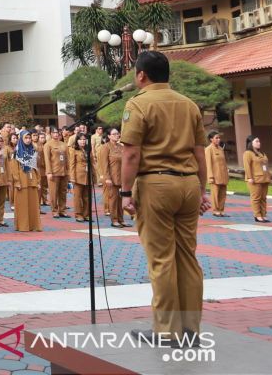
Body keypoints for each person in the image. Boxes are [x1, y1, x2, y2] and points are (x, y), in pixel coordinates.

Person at [120, 50, 211, 344]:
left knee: (162, 260)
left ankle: (166, 331)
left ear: (141, 75)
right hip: (188, 186)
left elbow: (131, 153)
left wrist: (124, 192)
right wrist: (203, 189)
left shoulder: (138, 104)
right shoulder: (189, 105)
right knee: (187, 258)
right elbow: (200, 152)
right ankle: (190, 330)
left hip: (156, 185)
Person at [10, 131, 42, 232]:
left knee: (33, 205)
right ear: (21, 139)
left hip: (32, 180)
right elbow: (14, 169)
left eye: (29, 138)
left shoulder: (33, 150)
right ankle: (23, 226)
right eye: (26, 138)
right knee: (22, 205)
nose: (28, 140)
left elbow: (36, 167)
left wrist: (38, 181)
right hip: (22, 181)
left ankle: (34, 225)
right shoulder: (16, 152)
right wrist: (17, 181)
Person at [98, 128, 126, 228]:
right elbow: (104, 164)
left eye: (117, 134)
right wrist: (107, 178)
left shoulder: (121, 147)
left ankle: (121, 219)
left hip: (122, 177)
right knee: (113, 199)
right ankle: (114, 220)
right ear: (109, 136)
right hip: (111, 177)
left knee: (121, 199)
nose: (116, 135)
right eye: (113, 134)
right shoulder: (105, 147)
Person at [242, 135, 271, 223]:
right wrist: (250, 177)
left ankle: (263, 214)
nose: (259, 143)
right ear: (251, 143)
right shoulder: (248, 153)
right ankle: (257, 216)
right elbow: (247, 166)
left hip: (264, 178)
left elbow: (266, 166)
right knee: (256, 198)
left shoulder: (261, 153)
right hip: (255, 179)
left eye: (259, 141)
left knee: (263, 198)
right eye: (257, 141)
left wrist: (269, 175)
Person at [44, 128, 69, 219]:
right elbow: (47, 159)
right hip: (54, 172)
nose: (56, 134)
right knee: (53, 193)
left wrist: (68, 171)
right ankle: (54, 211)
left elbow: (67, 158)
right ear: (50, 134)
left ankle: (62, 210)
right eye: (54, 133)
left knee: (63, 192)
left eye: (57, 133)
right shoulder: (48, 145)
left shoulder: (64, 144)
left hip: (64, 172)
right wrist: (49, 172)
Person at [206, 131, 229, 217]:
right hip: (215, 176)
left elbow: (224, 163)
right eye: (216, 138)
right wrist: (210, 176)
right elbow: (208, 164)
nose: (218, 139)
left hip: (223, 175)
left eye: (219, 138)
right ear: (211, 139)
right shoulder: (208, 149)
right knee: (215, 194)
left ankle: (221, 210)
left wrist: (227, 174)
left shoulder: (221, 149)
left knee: (223, 194)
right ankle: (215, 210)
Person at [69, 132, 90, 222]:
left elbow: (92, 162)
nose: (82, 141)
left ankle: (86, 214)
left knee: (86, 197)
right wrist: (72, 177)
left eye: (84, 139)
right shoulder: (74, 150)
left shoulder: (88, 150)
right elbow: (72, 165)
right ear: (77, 141)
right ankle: (78, 214)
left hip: (87, 176)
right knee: (77, 197)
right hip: (78, 176)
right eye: (80, 139)